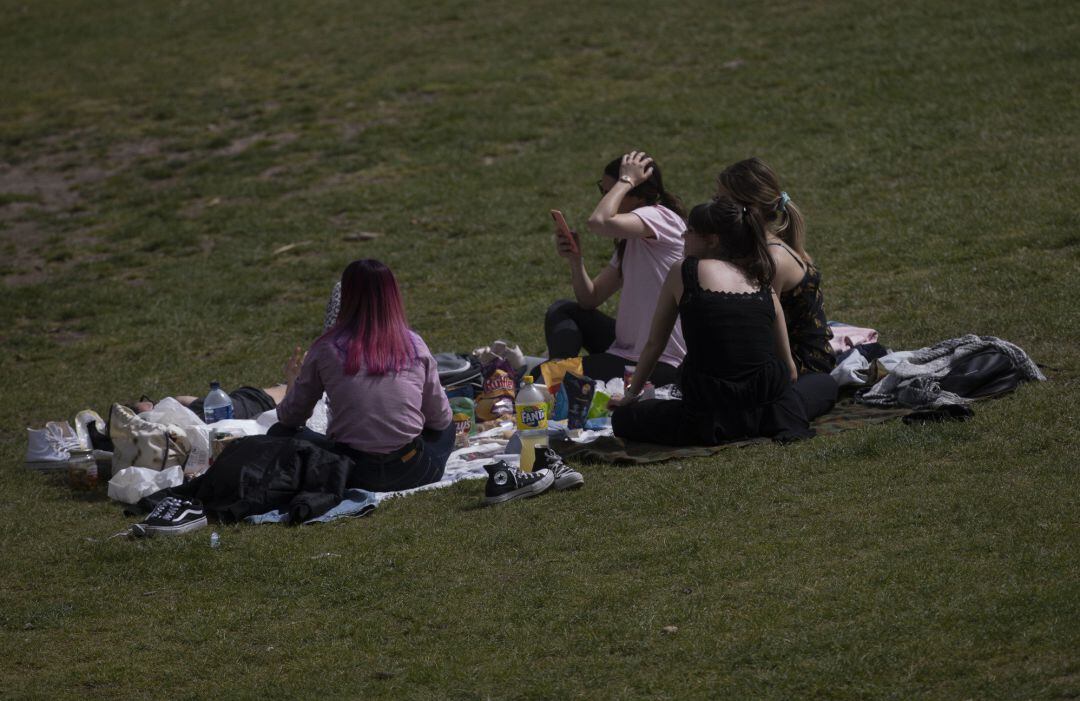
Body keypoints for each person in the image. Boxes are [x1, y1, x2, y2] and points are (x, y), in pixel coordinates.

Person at [609, 197, 837, 446]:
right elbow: (790, 371)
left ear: (713, 240)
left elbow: (655, 344)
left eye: (690, 231)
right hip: (768, 412)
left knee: (624, 418)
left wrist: (630, 396)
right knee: (825, 384)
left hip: (710, 413)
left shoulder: (684, 271)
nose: (683, 236)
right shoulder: (760, 281)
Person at [274, 259, 454, 492]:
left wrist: (294, 381)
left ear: (347, 296)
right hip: (412, 471)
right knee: (447, 428)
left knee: (279, 433)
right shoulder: (414, 344)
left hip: (349, 472)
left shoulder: (325, 348)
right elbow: (440, 419)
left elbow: (290, 418)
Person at [543, 151, 687, 385]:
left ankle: (558, 381)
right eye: (603, 190)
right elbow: (590, 299)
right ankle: (558, 383)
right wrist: (575, 260)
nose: (604, 199)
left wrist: (626, 180)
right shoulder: (632, 238)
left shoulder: (661, 218)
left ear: (638, 196)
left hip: (658, 362)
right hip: (625, 350)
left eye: (609, 193)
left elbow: (598, 222)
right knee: (563, 310)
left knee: (548, 376)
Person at [716, 158, 835, 374]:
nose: (715, 208)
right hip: (779, 352)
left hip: (804, 362)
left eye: (722, 201)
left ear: (748, 208)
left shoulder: (773, 258)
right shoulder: (755, 248)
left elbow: (760, 325)